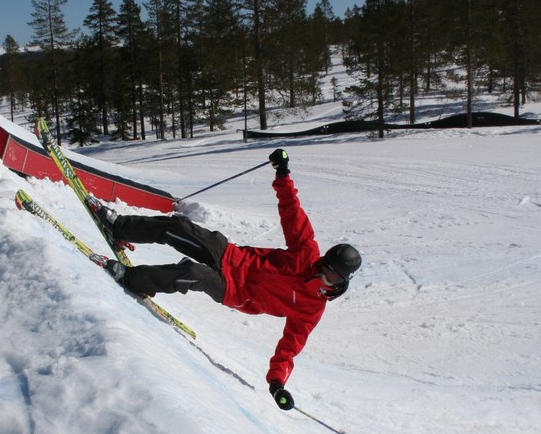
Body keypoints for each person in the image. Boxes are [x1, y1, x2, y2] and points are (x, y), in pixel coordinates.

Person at [89, 149, 361, 411]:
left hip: (235, 291)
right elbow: (291, 212)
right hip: (232, 256)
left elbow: (289, 348)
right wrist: (282, 173)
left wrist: (277, 383)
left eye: (331, 275)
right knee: (180, 227)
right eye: (324, 266)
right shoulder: (307, 253)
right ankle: (119, 226)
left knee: (193, 274)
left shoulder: (311, 309)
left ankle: (133, 280)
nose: (323, 274)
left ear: (341, 280)